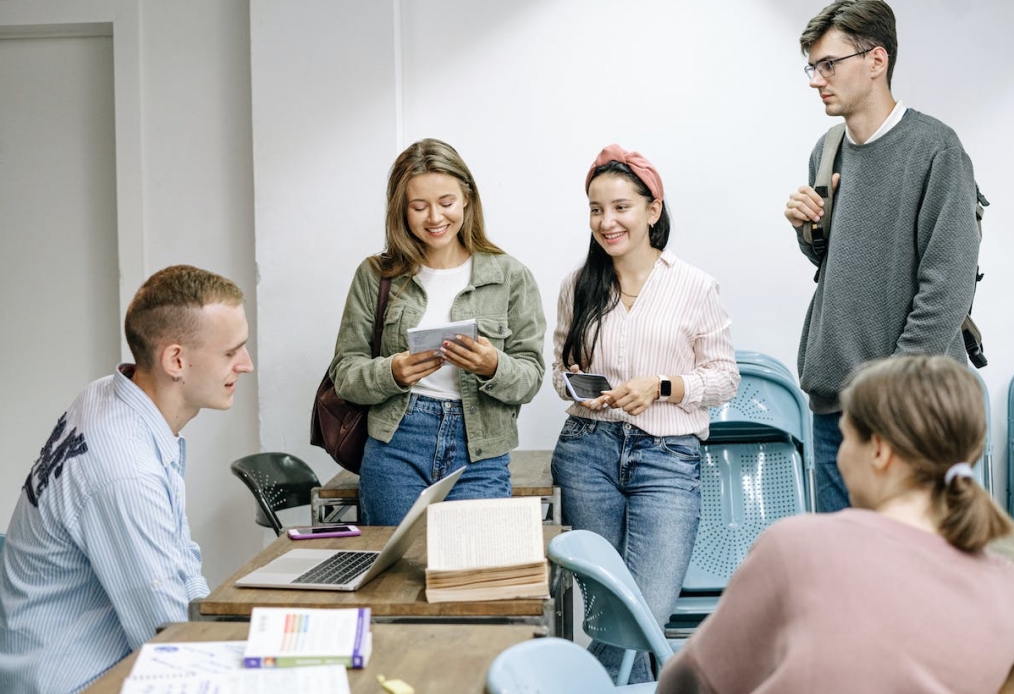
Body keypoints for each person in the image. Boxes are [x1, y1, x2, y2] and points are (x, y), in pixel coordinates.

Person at [656, 355, 1014, 693]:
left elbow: (690, 681)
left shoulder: (798, 546)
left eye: (845, 438)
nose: (839, 456)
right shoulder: (1003, 583)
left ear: (878, 450)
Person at [0, 265, 254, 694]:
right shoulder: (124, 471)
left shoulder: (111, 393)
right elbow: (168, 643)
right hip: (75, 679)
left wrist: (220, 630)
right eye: (232, 352)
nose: (246, 365)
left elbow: (178, 558)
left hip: (84, 656)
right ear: (176, 360)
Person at [551, 144, 740, 683]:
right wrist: (577, 387)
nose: (606, 222)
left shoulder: (695, 285)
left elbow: (725, 378)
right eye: (595, 209)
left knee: (643, 614)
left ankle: (573, 682)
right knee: (607, 612)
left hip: (668, 459)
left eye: (620, 207)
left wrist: (662, 386)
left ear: (653, 210)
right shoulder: (578, 285)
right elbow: (558, 373)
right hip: (587, 453)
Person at [782, 0, 981, 513]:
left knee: (917, 579)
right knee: (843, 578)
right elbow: (839, 264)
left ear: (876, 61)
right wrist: (809, 231)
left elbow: (947, 288)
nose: (816, 80)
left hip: (910, 413)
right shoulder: (826, 151)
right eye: (813, 66)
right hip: (835, 410)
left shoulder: (936, 149)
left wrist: (887, 394)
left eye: (829, 64)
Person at [330, 138, 546, 526]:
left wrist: (493, 365)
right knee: (393, 578)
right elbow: (345, 374)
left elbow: (531, 378)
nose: (434, 217)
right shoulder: (376, 276)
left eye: (446, 202)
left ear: (467, 198)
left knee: (472, 576)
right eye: (419, 206)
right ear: (401, 209)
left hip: (480, 450)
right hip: (396, 445)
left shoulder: (510, 276)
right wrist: (392, 372)